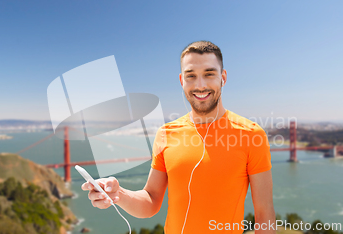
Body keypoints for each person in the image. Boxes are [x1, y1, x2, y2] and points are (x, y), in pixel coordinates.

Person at [82, 40, 276, 233]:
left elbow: (264, 215)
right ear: (182, 81)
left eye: (209, 74)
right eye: (191, 76)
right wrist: (118, 194)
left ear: (223, 78)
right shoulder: (165, 134)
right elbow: (151, 201)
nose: (200, 85)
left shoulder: (251, 135)